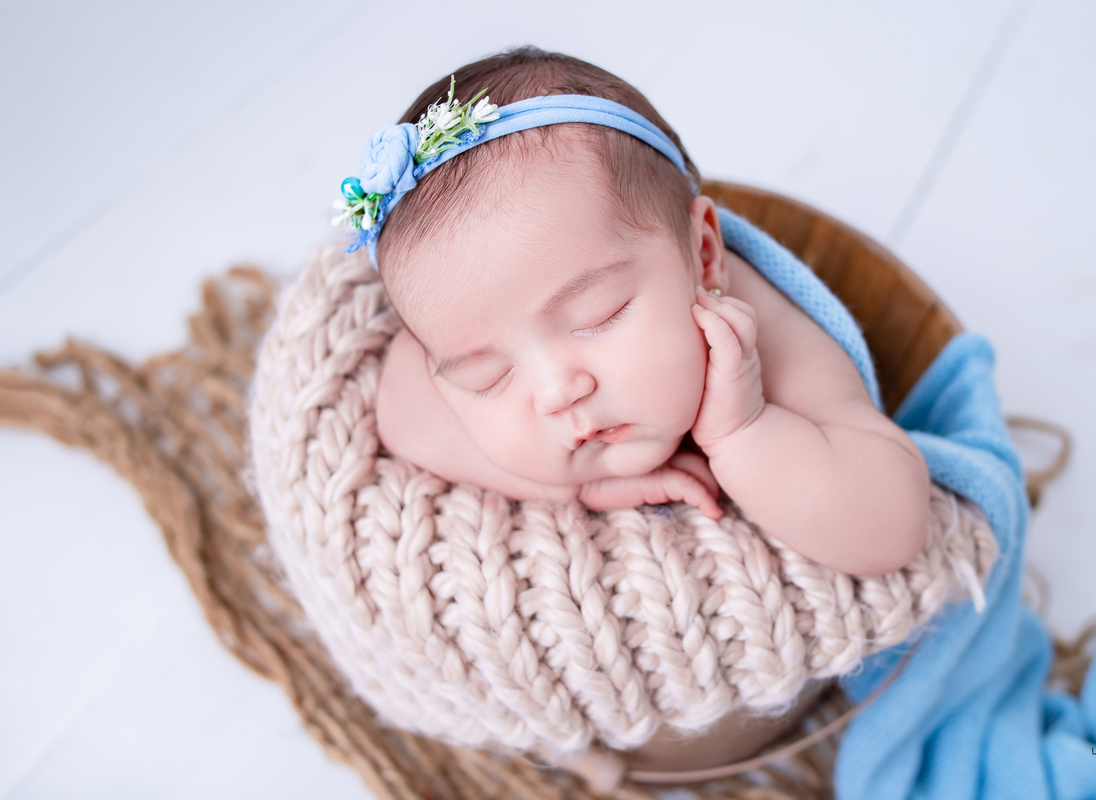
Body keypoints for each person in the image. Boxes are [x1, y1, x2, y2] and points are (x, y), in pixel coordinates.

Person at [357, 47, 931, 581]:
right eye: (487, 376)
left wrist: (744, 431)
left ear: (704, 258)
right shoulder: (465, 329)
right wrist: (573, 488)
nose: (558, 392)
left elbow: (893, 530)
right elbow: (400, 408)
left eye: (598, 316)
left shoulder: (759, 335)